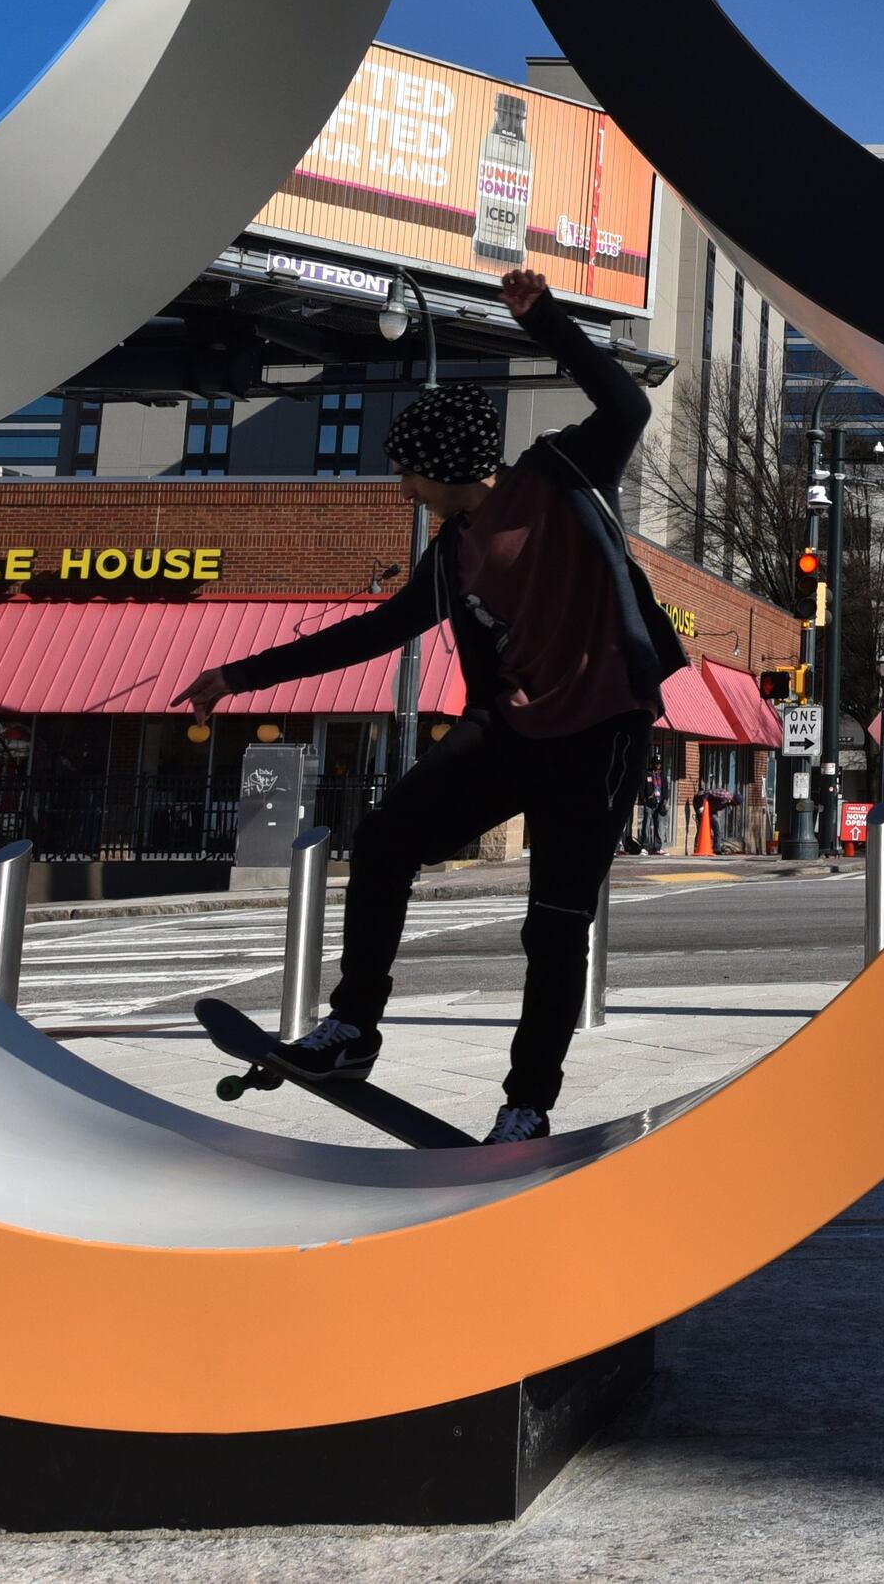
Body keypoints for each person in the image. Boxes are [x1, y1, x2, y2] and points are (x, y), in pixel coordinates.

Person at [177, 267, 680, 1144]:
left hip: (600, 735)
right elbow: (375, 634)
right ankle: (353, 1029)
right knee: (385, 839)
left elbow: (625, 408)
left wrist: (547, 321)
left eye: (409, 472)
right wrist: (241, 675)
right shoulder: (452, 555)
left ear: (446, 467)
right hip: (515, 730)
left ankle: (525, 1107)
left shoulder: (560, 473)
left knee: (553, 928)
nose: (404, 489)